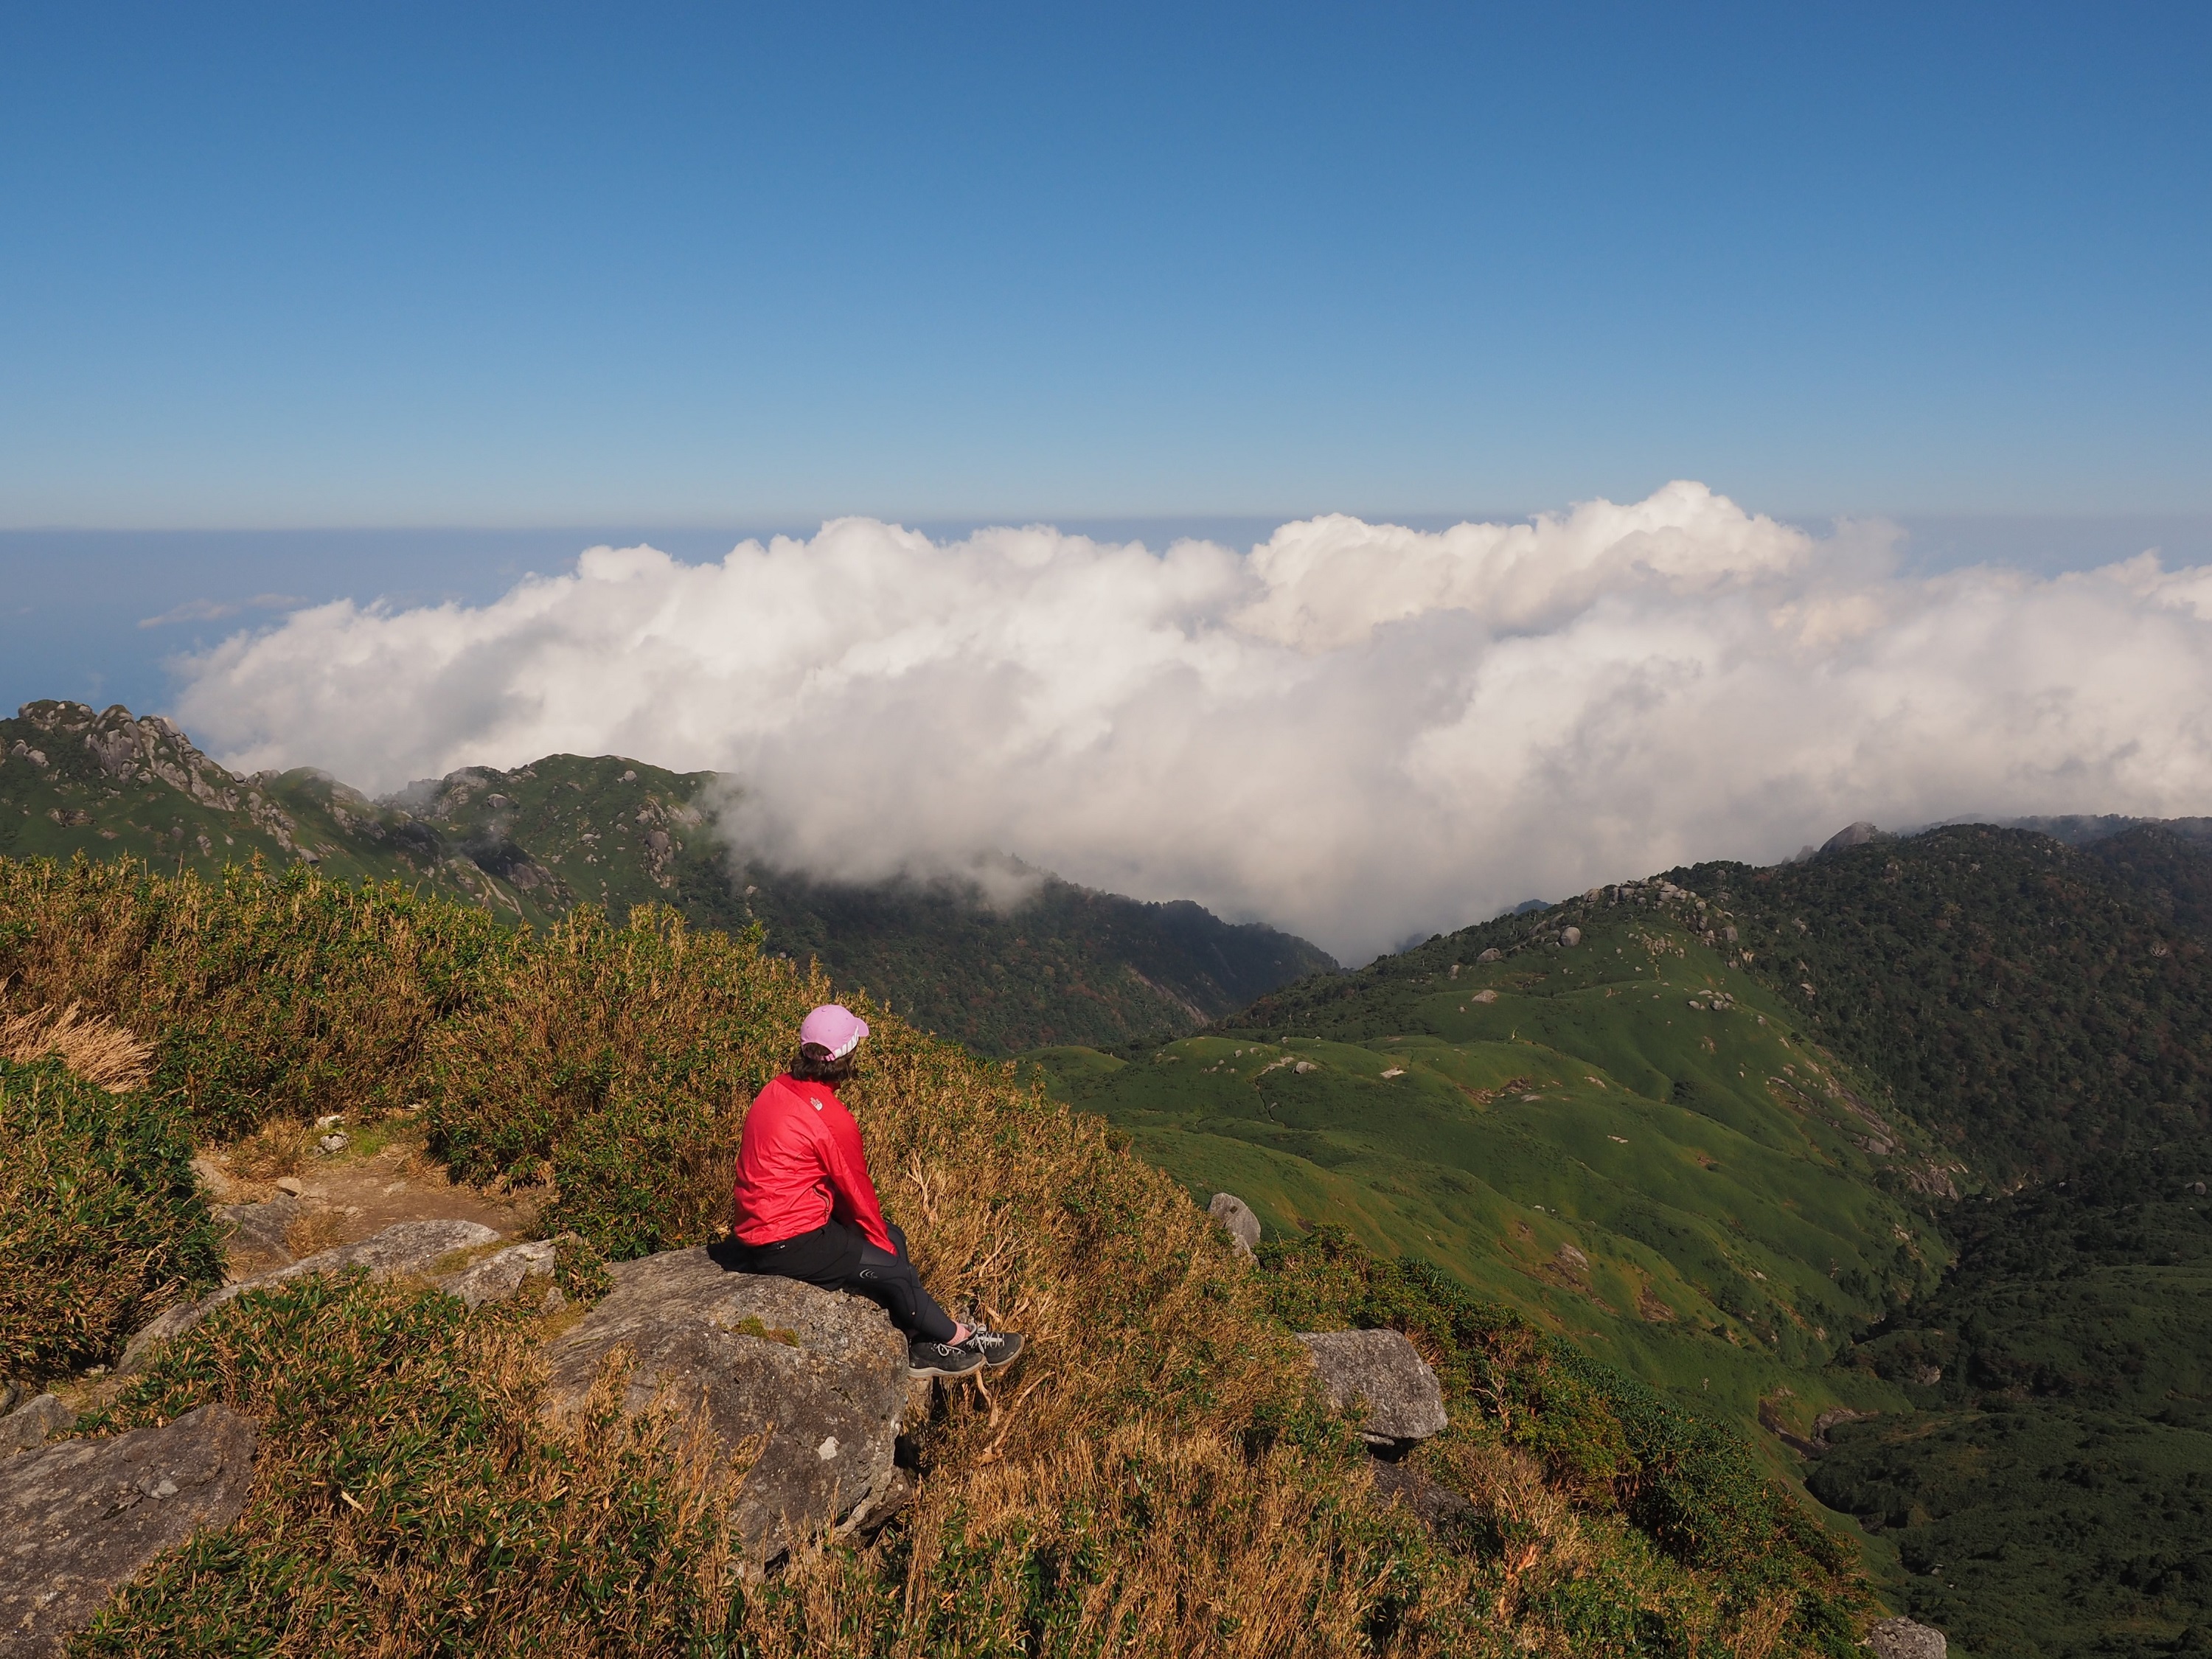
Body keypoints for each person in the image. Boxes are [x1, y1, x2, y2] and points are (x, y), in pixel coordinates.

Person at [728, 1003, 1024, 1380]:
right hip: (788, 1242)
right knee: (895, 1271)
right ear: (848, 1057)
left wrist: (881, 1238)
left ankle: (919, 1344)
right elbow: (857, 1192)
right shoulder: (832, 1119)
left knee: (893, 1238)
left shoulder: (777, 1088)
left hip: (766, 1225)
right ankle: (962, 1338)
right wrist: (879, 1244)